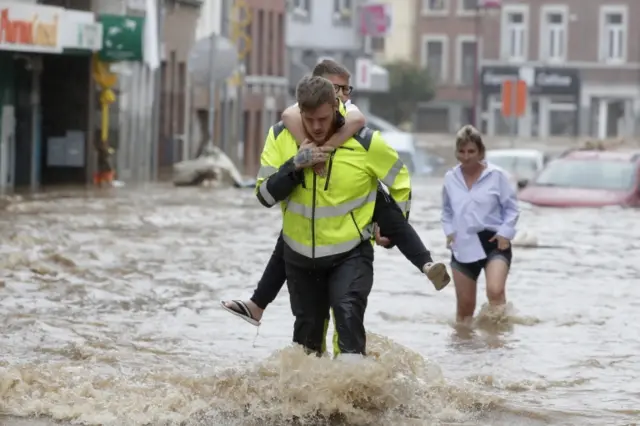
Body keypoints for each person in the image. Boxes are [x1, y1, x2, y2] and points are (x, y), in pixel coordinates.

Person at [221, 60, 449, 327]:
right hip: (305, 241)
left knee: (390, 216)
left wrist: (326, 148)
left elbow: (357, 121)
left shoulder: (353, 122)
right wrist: (303, 154)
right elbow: (289, 117)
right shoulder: (294, 119)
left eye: (347, 89)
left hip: (355, 214)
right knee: (288, 246)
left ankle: (425, 263)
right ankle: (258, 303)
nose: (344, 94)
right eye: (338, 87)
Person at [253, 75, 415, 356]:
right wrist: (295, 165)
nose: (317, 127)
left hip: (351, 251)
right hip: (301, 257)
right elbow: (265, 196)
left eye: (323, 119)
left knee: (348, 314)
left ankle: (352, 392)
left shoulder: (365, 142)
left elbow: (400, 181)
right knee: (307, 341)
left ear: (336, 107)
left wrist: (390, 227)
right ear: (299, 112)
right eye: (310, 119)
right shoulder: (280, 136)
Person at [441, 125, 520, 323]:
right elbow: (447, 211)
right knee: (465, 309)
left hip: (494, 242)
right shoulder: (451, 178)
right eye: (461, 151)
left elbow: (512, 208)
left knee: (495, 292)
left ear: (481, 152)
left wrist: (505, 233)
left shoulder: (497, 176)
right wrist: (449, 232)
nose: (466, 156)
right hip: (463, 245)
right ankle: (465, 350)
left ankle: (498, 345)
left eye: (471, 151)